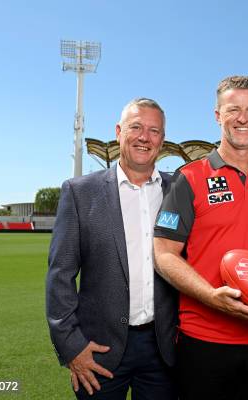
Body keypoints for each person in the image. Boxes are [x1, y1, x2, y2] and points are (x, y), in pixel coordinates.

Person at [153, 76, 248, 400]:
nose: (242, 117)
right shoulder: (190, 177)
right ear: (217, 115)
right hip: (203, 342)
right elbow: (164, 253)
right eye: (233, 109)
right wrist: (211, 296)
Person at [46, 98, 178, 400]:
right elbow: (59, 277)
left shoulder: (179, 190)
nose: (144, 137)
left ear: (162, 140)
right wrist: (71, 346)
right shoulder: (79, 192)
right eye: (136, 127)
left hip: (163, 349)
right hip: (97, 350)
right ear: (119, 131)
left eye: (154, 130)